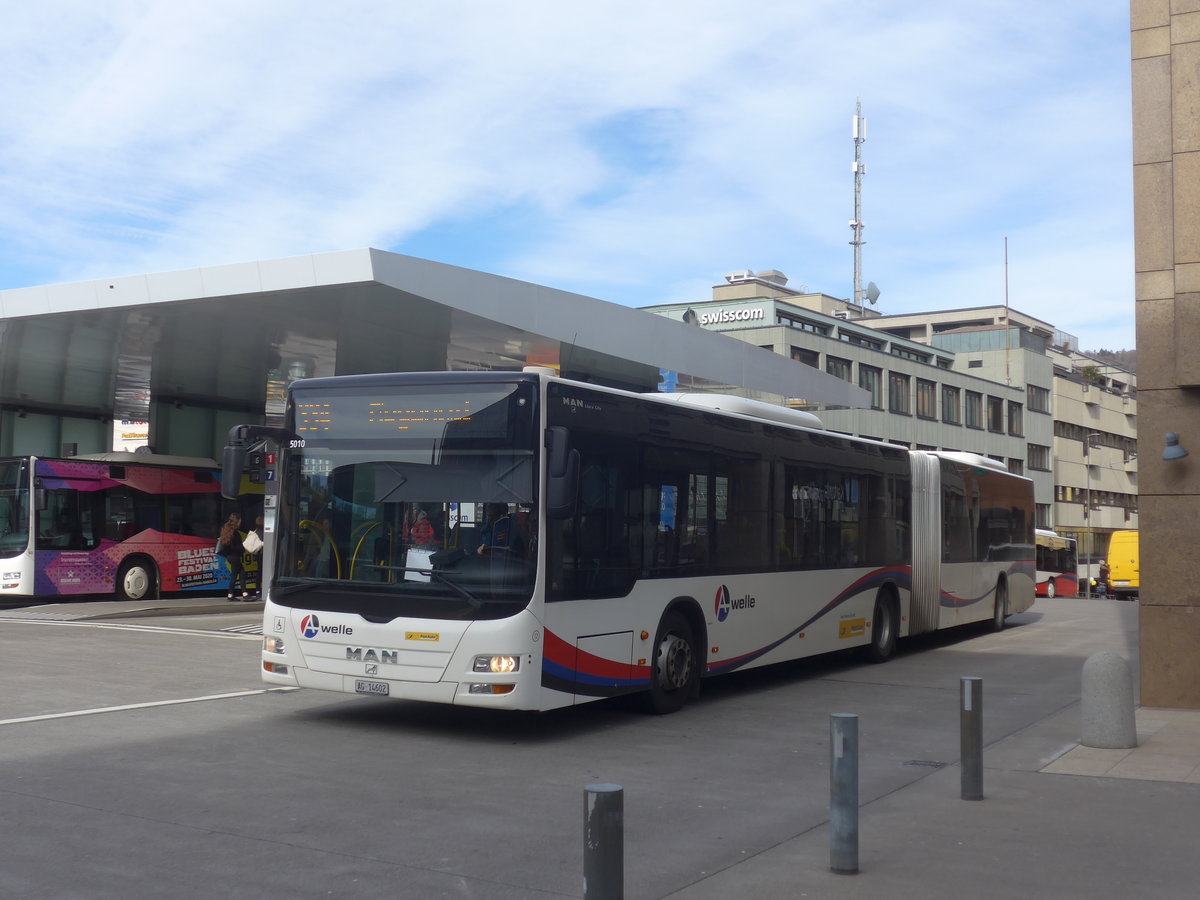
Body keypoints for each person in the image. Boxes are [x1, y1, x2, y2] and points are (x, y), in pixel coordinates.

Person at [216, 513, 251, 601]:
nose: (240, 523)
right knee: (239, 574)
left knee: (237, 574)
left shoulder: (226, 530)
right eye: (239, 521)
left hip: (230, 556)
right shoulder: (235, 533)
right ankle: (242, 594)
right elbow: (236, 546)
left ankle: (233, 594)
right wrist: (243, 547)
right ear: (237, 521)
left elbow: (226, 546)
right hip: (235, 556)